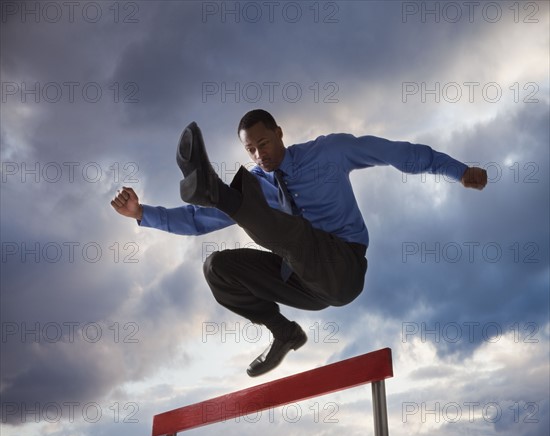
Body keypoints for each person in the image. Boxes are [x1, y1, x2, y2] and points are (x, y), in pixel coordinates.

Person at [111, 109, 487, 377]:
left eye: (264, 143)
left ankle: (214, 191)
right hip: (302, 280)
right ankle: (284, 332)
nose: (261, 155)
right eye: (251, 151)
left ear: (279, 132)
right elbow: (195, 221)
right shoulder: (256, 186)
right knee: (217, 267)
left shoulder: (329, 152)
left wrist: (457, 171)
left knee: (289, 232)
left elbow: (397, 153)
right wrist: (142, 212)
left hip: (343, 268)